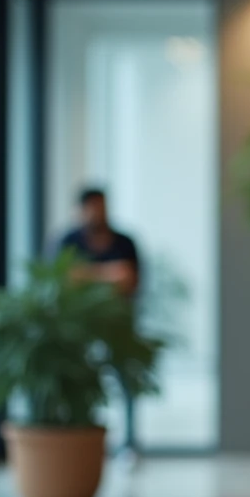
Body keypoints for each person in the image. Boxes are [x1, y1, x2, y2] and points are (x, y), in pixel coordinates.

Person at [56, 187, 142, 453]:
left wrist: (86, 275)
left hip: (118, 322)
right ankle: (77, 439)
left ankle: (128, 443)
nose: (98, 213)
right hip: (77, 326)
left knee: (125, 379)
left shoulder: (124, 241)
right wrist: (110, 275)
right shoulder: (68, 241)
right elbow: (63, 280)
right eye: (92, 207)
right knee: (77, 380)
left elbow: (130, 279)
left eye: (102, 206)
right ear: (81, 210)